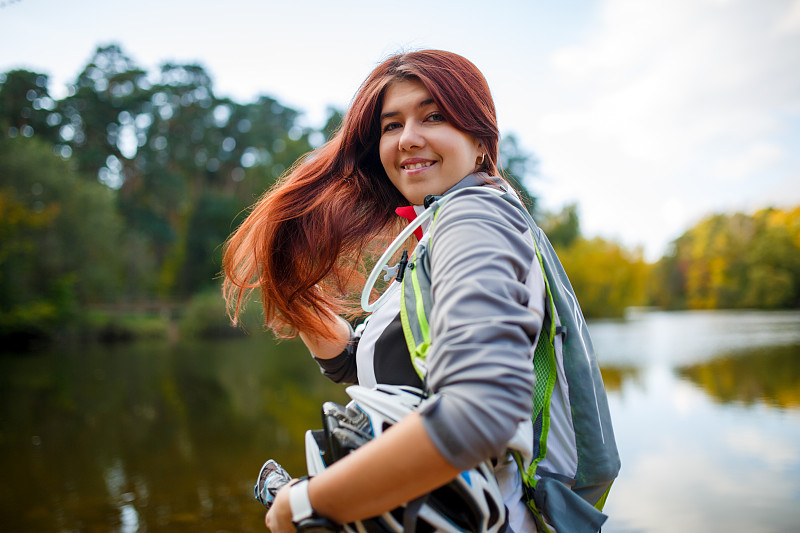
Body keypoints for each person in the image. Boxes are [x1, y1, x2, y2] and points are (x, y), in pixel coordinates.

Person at [223, 50, 615, 533]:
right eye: (391, 125)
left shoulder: (472, 219)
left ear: (480, 143)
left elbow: (480, 407)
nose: (408, 138)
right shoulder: (439, 230)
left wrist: (301, 504)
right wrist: (294, 292)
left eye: (433, 116)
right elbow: (372, 365)